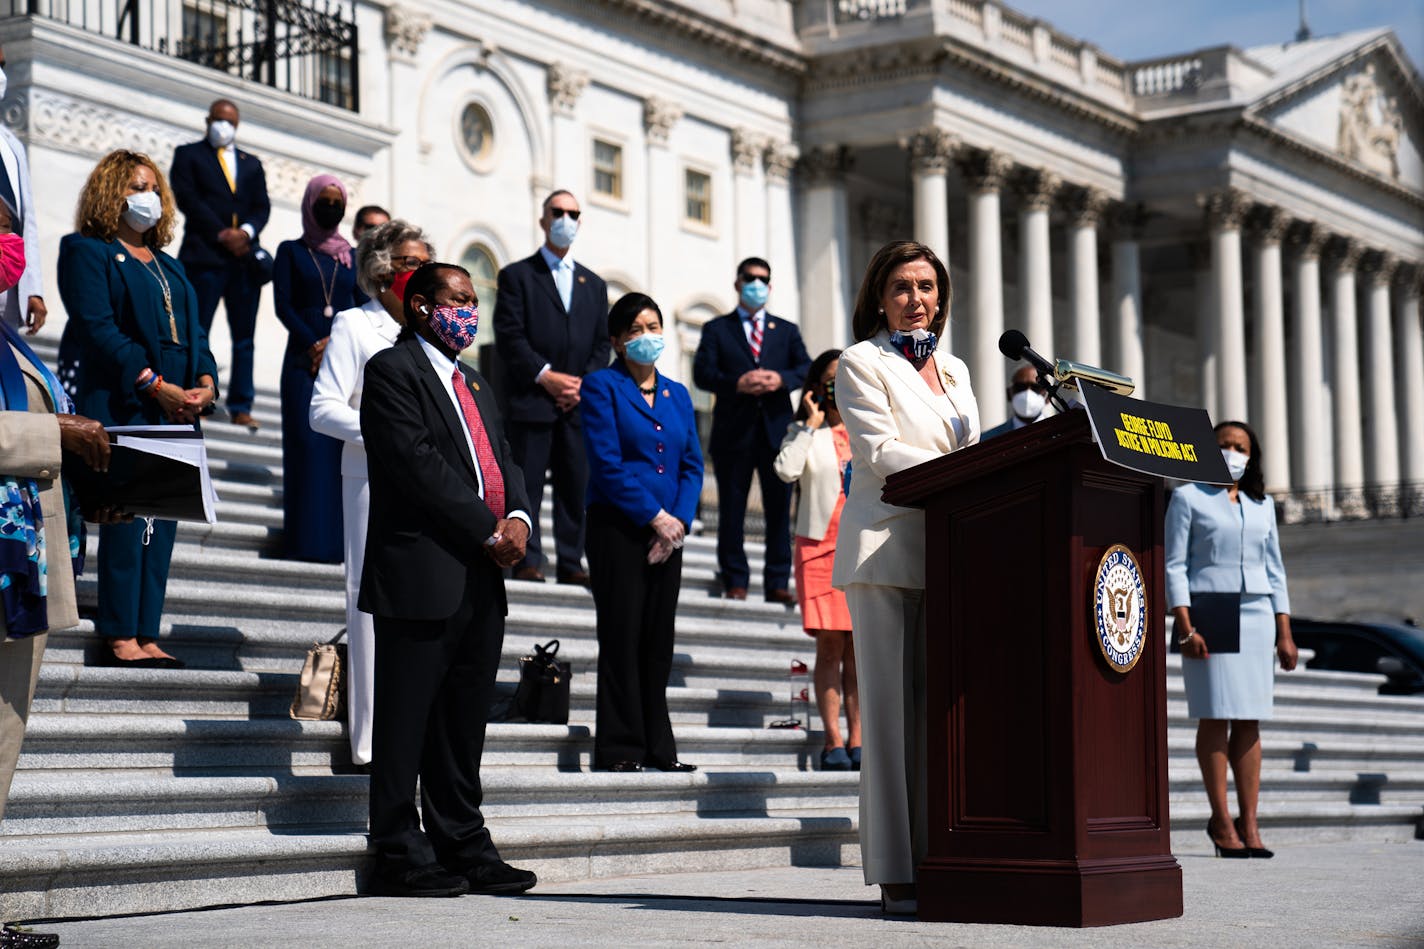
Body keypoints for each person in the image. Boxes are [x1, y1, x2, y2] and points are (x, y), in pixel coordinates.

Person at [359, 262, 536, 898]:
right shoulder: (391, 371)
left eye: (472, 299)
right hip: (421, 570)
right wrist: (487, 528)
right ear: (422, 308)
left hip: (482, 578)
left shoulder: (478, 384)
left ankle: (463, 842)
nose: (469, 309)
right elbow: (416, 464)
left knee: (463, 722)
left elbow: (505, 460)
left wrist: (516, 516)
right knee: (406, 721)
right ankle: (397, 850)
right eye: (457, 299)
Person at [831, 240, 979, 914]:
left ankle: (940, 851)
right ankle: (896, 867)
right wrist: (969, 477)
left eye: (926, 285)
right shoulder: (862, 362)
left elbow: (975, 444)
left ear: (940, 296)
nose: (916, 298)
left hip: (949, 550)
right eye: (901, 287)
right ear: (879, 297)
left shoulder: (955, 368)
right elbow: (880, 450)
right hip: (885, 551)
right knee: (889, 717)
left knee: (935, 719)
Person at [57, 149, 220, 669]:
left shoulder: (171, 266)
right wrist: (154, 384)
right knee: (128, 521)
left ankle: (148, 631)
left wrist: (206, 381)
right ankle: (119, 632)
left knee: (162, 519)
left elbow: (195, 332)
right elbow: (97, 328)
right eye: (132, 186)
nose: (144, 196)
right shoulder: (88, 251)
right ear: (110, 193)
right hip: (128, 398)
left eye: (150, 186)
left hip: (178, 406)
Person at [0, 228, 109, 949]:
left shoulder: (10, 342)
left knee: (2, 742)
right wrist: (55, 433)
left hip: (21, 567)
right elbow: (40, 432)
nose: (9, 247)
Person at [309, 219, 432, 767]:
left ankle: (416, 734)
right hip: (371, 480)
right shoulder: (355, 326)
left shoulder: (432, 335)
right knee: (369, 610)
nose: (421, 274)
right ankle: (370, 742)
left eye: (427, 264)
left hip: (428, 487)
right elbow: (324, 408)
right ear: (384, 271)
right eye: (412, 263)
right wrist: (386, 434)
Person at [580, 292, 703, 773]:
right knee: (621, 635)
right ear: (616, 340)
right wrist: (655, 517)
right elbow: (607, 465)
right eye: (635, 329)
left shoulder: (678, 394)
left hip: (667, 536)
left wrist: (676, 524)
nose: (647, 336)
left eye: (654, 326)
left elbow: (692, 464)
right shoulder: (601, 386)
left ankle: (659, 747)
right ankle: (620, 747)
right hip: (618, 529)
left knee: (657, 641)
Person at [1167, 420, 1298, 859]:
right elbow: (1174, 566)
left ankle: (1251, 823)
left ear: (1252, 454)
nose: (1232, 452)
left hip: (1259, 611)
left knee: (1249, 720)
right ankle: (1221, 821)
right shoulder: (1187, 497)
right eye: (1224, 444)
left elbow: (1276, 570)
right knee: (1215, 715)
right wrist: (1185, 627)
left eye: (1240, 446)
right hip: (1210, 611)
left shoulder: (1263, 505)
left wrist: (1285, 632)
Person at [493, 189, 609, 586]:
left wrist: (580, 384)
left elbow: (602, 343)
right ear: (543, 219)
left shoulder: (593, 284)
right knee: (526, 487)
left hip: (577, 405)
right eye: (557, 212)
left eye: (573, 213)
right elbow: (510, 335)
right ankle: (528, 558)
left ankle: (572, 560)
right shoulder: (517, 276)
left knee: (575, 485)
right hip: (532, 399)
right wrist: (546, 375)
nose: (565, 219)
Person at [693, 257, 811, 602]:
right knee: (731, 510)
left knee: (779, 511)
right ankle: (735, 579)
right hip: (733, 433)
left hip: (776, 433)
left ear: (770, 286)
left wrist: (780, 379)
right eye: (750, 278)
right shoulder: (717, 329)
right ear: (737, 283)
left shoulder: (786, 330)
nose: (757, 284)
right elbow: (703, 373)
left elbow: (804, 367)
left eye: (763, 279)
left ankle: (777, 581)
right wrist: (737, 383)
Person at [773, 348, 860, 772]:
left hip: (863, 549)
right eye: (829, 379)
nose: (836, 386)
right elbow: (786, 470)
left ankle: (859, 738)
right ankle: (833, 740)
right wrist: (808, 425)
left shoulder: (869, 428)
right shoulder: (806, 431)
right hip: (819, 550)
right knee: (830, 646)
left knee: (859, 651)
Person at [169, 98, 270, 429]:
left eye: (229, 121)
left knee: (245, 337)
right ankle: (197, 395)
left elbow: (261, 206)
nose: (223, 126)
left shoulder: (251, 163)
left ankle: (241, 404)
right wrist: (220, 232)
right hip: (204, 257)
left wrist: (246, 232)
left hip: (243, 262)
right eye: (218, 119)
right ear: (208, 119)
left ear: (237, 126)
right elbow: (188, 198)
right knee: (198, 329)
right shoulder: (189, 155)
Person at [273, 175, 356, 564]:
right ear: (309, 203)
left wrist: (335, 345)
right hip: (301, 364)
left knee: (336, 455)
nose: (330, 205)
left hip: (342, 366)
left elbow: (357, 306)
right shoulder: (290, 251)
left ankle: (335, 545)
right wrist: (314, 343)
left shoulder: (350, 257)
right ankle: (304, 543)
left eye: (336, 200)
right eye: (323, 199)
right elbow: (284, 306)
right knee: (306, 450)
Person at [0, 44, 47, 336]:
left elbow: (26, 221)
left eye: (2, 65)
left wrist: (33, 289)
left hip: (7, 290)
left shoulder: (11, 144)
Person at [980, 363, 1047, 439]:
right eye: (1020, 387)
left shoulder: (1060, 435)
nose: (1028, 393)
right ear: (1009, 393)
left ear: (1048, 397)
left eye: (1036, 387)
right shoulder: (987, 440)